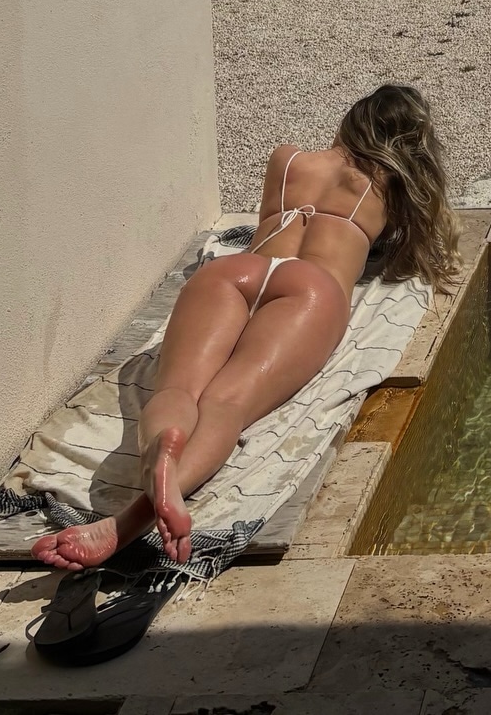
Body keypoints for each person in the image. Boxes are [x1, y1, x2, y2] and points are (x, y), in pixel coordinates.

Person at [33, 84, 459, 571]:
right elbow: (414, 250)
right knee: (225, 403)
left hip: (236, 272)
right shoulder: (388, 181)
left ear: (350, 122)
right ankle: (127, 523)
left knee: (176, 390)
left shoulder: (287, 159)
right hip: (309, 287)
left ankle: (163, 448)